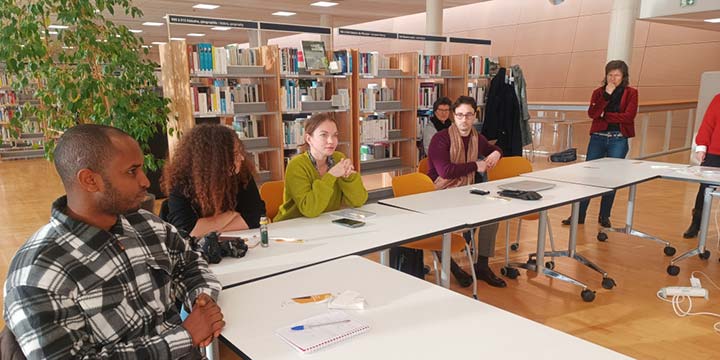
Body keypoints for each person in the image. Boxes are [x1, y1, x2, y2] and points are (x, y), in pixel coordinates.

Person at [3, 124, 224, 359]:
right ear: (89, 180)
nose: (145, 181)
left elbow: (189, 260)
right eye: (132, 171)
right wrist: (185, 336)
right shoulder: (37, 274)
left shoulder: (144, 224)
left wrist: (201, 297)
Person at [427, 95, 506, 288]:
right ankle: (453, 268)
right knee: (438, 229)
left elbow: (492, 148)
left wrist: (497, 152)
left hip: (466, 191)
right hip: (439, 192)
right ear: (453, 116)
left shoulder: (476, 138)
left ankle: (482, 265)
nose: (464, 120)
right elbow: (445, 171)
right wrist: (475, 165)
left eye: (469, 115)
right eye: (460, 115)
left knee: (492, 216)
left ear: (475, 116)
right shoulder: (441, 138)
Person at [562, 60, 638, 227]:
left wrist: (605, 116)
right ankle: (579, 215)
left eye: (617, 75)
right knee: (588, 177)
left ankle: (604, 215)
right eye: (610, 74)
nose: (613, 78)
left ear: (623, 76)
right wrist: (606, 97)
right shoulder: (598, 93)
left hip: (618, 138)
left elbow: (628, 116)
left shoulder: (631, 93)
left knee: (611, 179)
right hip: (598, 137)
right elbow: (593, 113)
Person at [162, 124, 265, 237]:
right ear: (214, 160)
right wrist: (231, 214)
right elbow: (188, 231)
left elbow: (255, 217)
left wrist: (209, 229)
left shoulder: (241, 174)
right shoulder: (181, 183)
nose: (242, 158)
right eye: (235, 154)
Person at [275, 113, 368, 221]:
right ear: (309, 139)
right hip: (294, 225)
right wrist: (331, 175)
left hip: (325, 222)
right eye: (324, 135)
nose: (331, 141)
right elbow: (310, 210)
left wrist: (349, 178)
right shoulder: (296, 165)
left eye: (335, 135)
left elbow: (359, 201)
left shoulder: (339, 158)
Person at [683, 93, 720, 238]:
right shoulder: (718, 99)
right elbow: (708, 123)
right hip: (714, 153)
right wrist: (702, 146)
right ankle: (696, 223)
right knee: (705, 189)